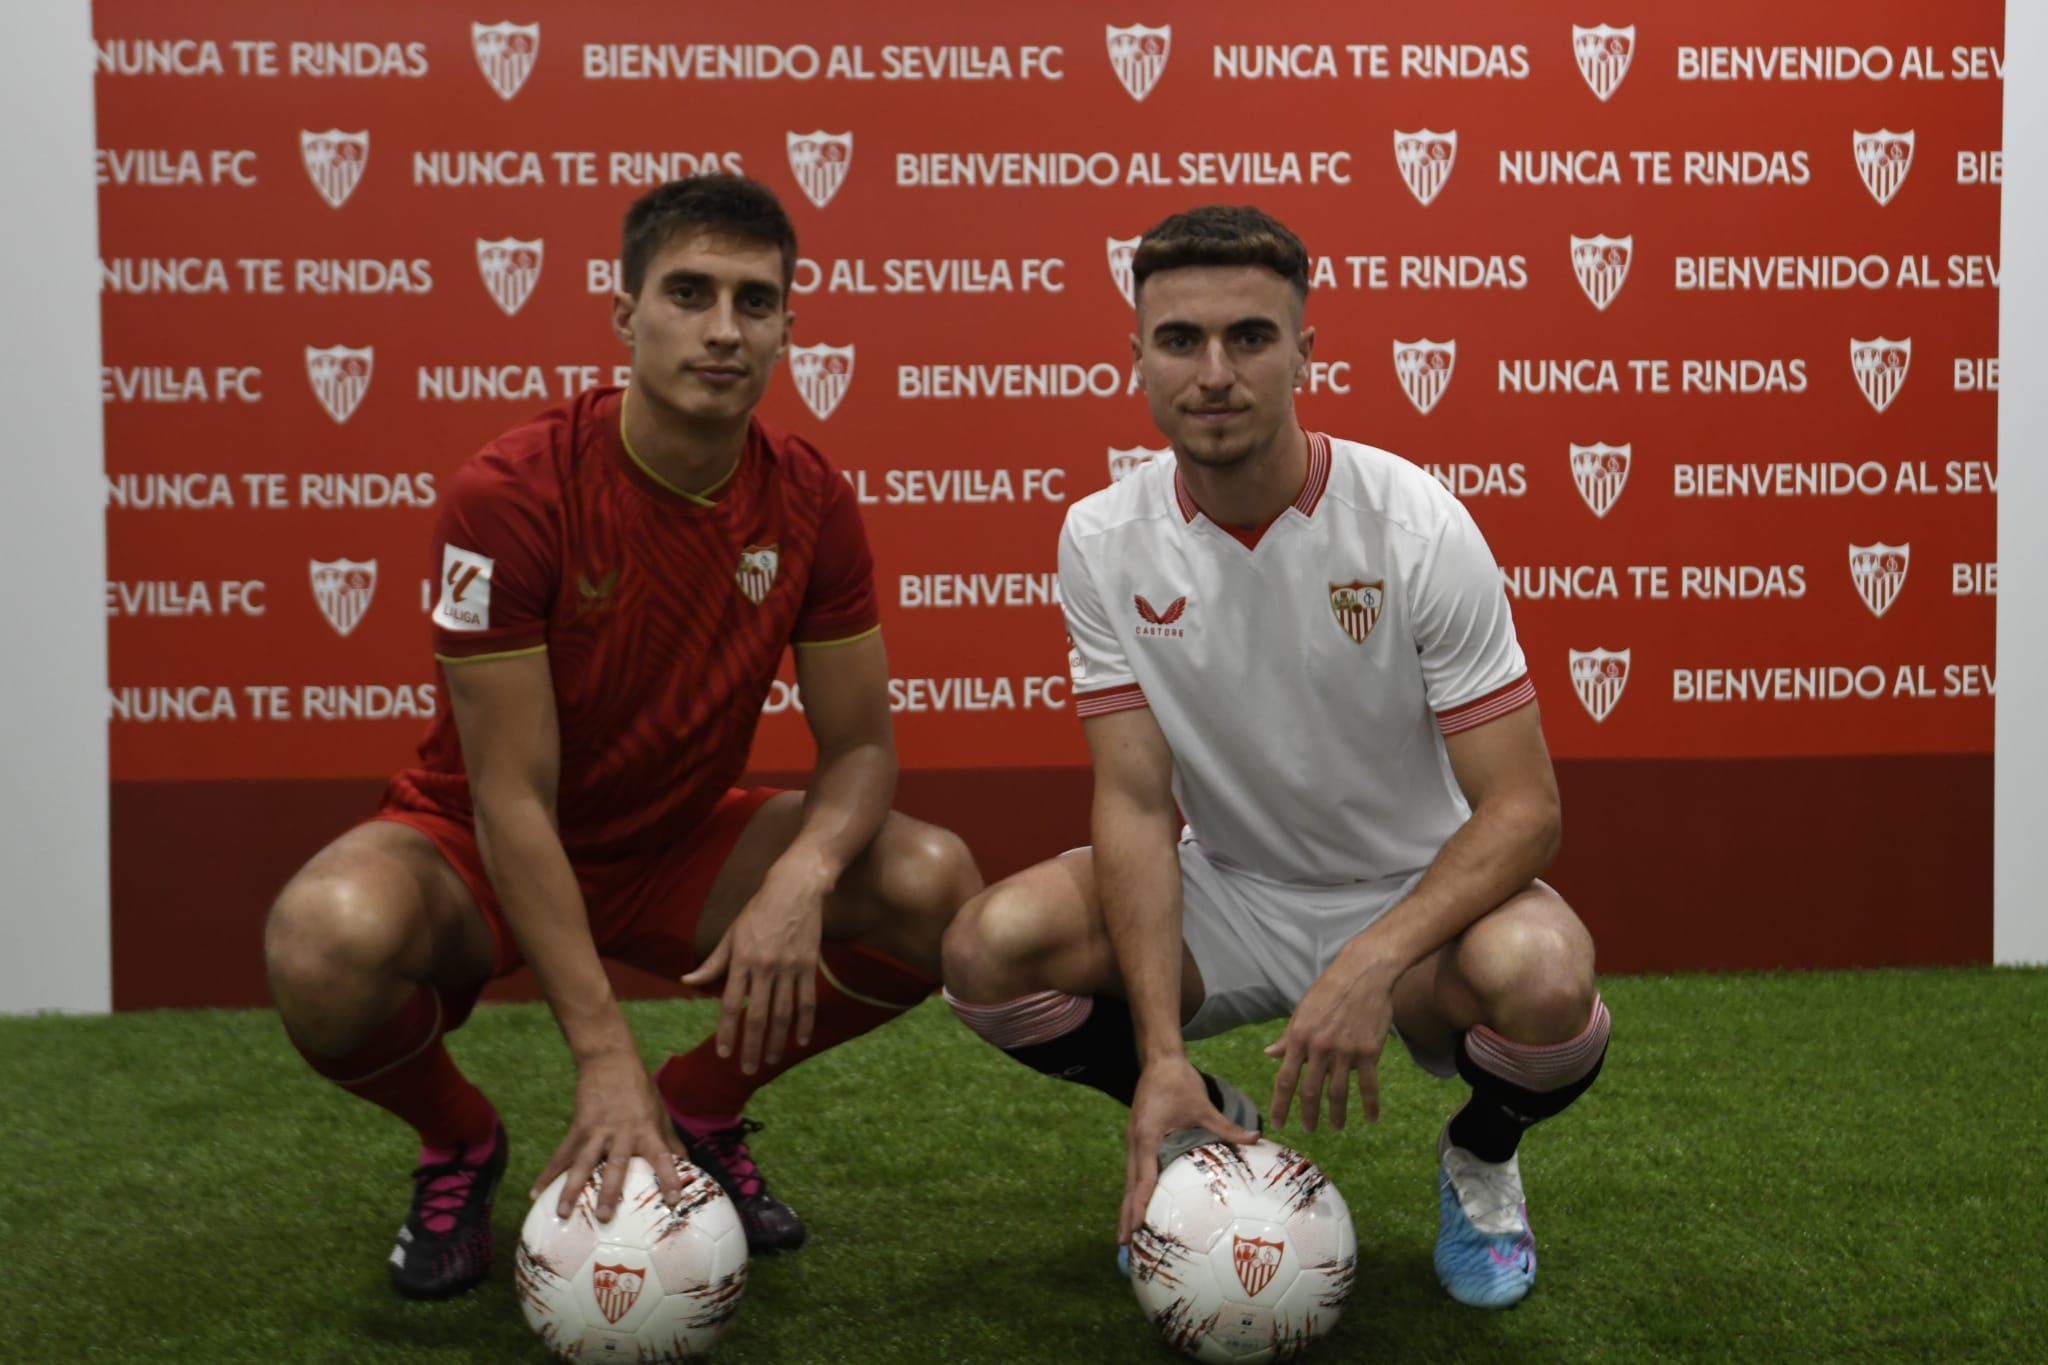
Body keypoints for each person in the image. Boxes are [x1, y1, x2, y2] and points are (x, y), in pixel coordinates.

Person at [264, 174, 981, 1300]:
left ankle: (700, 1106)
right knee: (322, 939)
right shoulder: (512, 492)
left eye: (753, 302)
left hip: (671, 844)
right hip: (478, 843)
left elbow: (860, 751)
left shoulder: (807, 501)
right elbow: (509, 797)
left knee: (931, 883)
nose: (720, 329)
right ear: (624, 314)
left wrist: (801, 874)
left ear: (788, 328)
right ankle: (458, 1142)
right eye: (687, 293)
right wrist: (601, 1059)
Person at [941, 205, 1607, 1310]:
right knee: (987, 947)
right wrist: (1156, 1052)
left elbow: (1523, 812)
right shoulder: (1100, 539)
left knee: (1544, 981)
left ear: (1305, 352)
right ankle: (1202, 1122)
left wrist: (1370, 961)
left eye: (1249, 337)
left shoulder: (1413, 524)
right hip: (1234, 889)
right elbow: (1134, 804)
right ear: (1137, 360)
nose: (1213, 372)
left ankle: (1481, 1158)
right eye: (1178, 341)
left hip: (1420, 900)